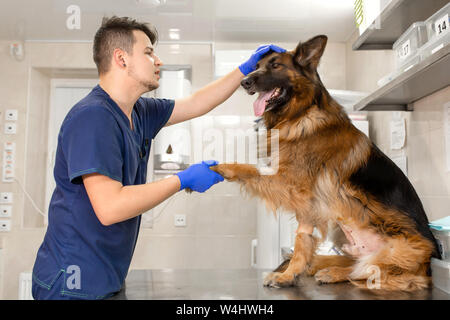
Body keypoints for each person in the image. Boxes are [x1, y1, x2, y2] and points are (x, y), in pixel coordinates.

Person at [31, 16, 285, 300]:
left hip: (105, 276)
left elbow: (195, 103)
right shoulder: (93, 117)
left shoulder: (138, 112)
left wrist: (244, 69)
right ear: (121, 58)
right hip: (72, 282)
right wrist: (182, 179)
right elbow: (110, 207)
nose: (158, 61)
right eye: (149, 52)